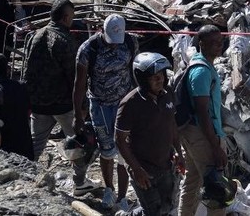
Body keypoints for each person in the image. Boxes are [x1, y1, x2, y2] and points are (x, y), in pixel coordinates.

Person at [24, 0, 94, 195]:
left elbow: (26, 70)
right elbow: (75, 78)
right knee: (76, 144)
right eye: (71, 16)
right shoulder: (65, 41)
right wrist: (82, 106)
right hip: (63, 105)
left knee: (35, 144)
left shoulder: (35, 36)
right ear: (65, 17)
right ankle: (79, 183)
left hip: (38, 103)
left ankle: (24, 176)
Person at [75, 13, 139, 210]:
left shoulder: (130, 42)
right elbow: (79, 84)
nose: (114, 45)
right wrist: (78, 115)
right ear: (102, 31)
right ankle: (109, 190)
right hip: (100, 106)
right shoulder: (88, 49)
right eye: (111, 41)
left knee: (124, 151)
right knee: (106, 149)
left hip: (124, 105)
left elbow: (135, 72)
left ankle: (122, 197)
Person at [116, 52, 183, 216]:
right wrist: (136, 168)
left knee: (166, 207)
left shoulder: (168, 93)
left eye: (161, 75)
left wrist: (179, 153)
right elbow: (119, 140)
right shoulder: (130, 104)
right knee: (153, 211)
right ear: (142, 79)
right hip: (143, 167)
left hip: (165, 164)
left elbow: (172, 125)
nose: (159, 80)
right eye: (154, 77)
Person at [178, 25, 230, 216]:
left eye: (221, 41)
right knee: (216, 189)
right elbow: (202, 112)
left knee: (192, 182)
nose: (219, 46)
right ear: (201, 44)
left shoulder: (204, 66)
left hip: (194, 133)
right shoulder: (201, 71)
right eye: (214, 42)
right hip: (202, 135)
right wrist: (215, 146)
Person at [0, 53, 34, 159]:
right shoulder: (22, 88)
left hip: (2, 151)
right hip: (24, 148)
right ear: (8, 69)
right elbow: (29, 112)